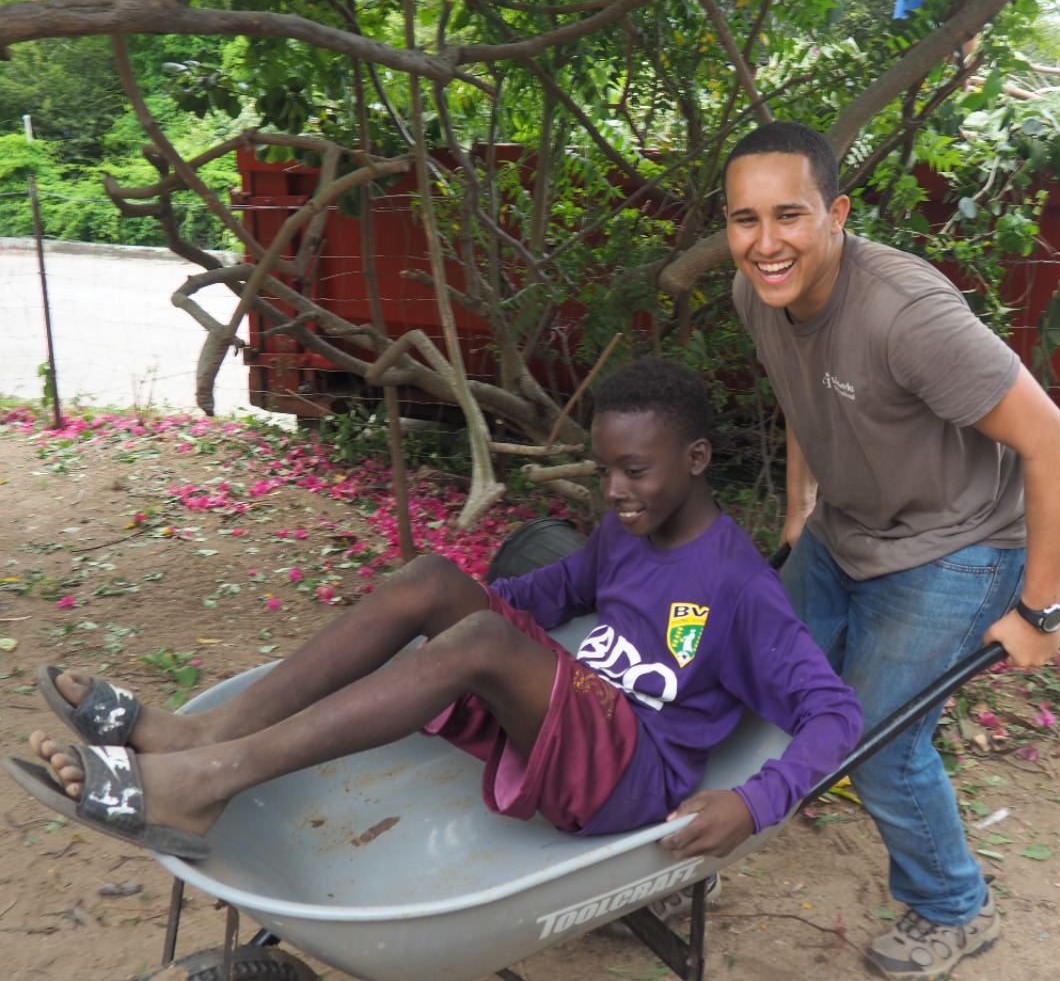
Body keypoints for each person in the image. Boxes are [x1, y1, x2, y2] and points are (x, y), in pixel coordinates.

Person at [4, 359, 862, 872]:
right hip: (567, 714)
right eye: (603, 469)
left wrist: (754, 803)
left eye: (634, 471)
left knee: (479, 635)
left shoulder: (741, 590)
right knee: (429, 579)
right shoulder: (625, 531)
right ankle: (201, 735)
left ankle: (204, 785)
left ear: (698, 457)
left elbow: (835, 714)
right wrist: (443, 622)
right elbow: (551, 593)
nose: (612, 490)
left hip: (629, 774)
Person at [724, 121, 1060, 980]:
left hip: (955, 546)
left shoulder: (906, 314)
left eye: (788, 215)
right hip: (845, 527)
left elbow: (1054, 443)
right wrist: (799, 510)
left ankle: (955, 906)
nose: (766, 243)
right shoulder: (757, 291)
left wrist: (1041, 612)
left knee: (880, 743)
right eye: (744, 219)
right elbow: (804, 396)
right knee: (754, 685)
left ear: (837, 213)